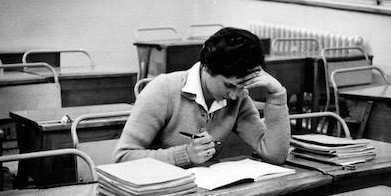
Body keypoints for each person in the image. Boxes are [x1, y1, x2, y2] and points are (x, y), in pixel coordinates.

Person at [113, 27, 290, 167]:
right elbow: (123, 158)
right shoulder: (163, 90)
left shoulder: (238, 98)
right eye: (229, 85)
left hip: (203, 193)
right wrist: (185, 155)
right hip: (156, 193)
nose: (235, 95)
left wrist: (276, 94)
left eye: (242, 86)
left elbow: (275, 155)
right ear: (207, 67)